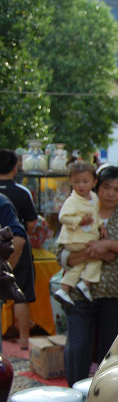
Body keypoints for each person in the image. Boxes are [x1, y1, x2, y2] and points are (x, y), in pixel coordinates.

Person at [57, 165, 118, 385]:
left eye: (117, 189)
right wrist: (92, 251)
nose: (111, 193)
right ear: (97, 185)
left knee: (111, 352)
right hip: (79, 293)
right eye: (106, 187)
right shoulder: (81, 211)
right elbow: (62, 256)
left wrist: (108, 245)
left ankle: (106, 397)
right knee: (77, 346)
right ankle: (74, 393)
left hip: (117, 294)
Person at [0, 149, 36, 349]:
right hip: (16, 249)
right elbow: (30, 224)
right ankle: (24, 340)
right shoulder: (22, 191)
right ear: (15, 168)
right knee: (21, 293)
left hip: (12, 246)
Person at [54, 161, 102, 306]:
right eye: (77, 182)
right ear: (71, 182)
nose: (81, 185)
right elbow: (63, 217)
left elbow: (96, 215)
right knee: (96, 258)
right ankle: (86, 282)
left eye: (85, 181)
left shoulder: (93, 198)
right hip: (76, 239)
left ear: (94, 182)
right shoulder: (72, 200)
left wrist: (100, 226)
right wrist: (80, 220)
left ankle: (65, 288)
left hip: (85, 236)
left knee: (80, 265)